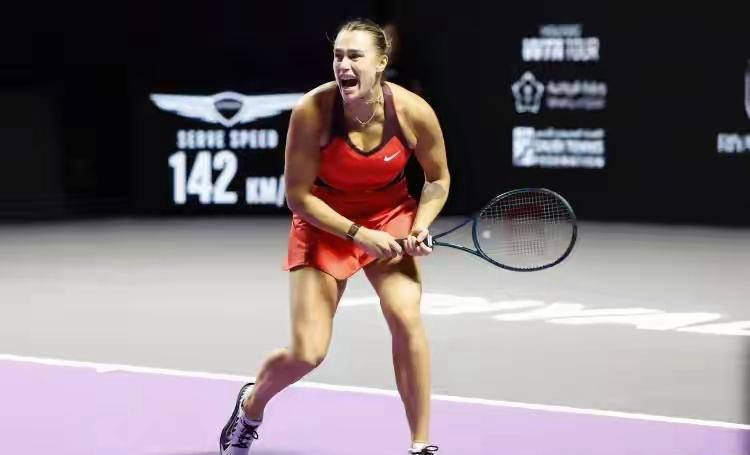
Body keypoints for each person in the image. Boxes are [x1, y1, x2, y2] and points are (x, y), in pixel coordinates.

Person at [220, 18, 450, 455]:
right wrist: (358, 234)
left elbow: (437, 179)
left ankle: (421, 444)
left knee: (406, 318)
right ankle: (251, 405)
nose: (343, 64)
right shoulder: (313, 111)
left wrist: (421, 224)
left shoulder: (412, 112)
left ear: (380, 62)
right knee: (308, 352)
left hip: (389, 215)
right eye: (338, 56)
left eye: (355, 56)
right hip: (324, 223)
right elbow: (297, 196)